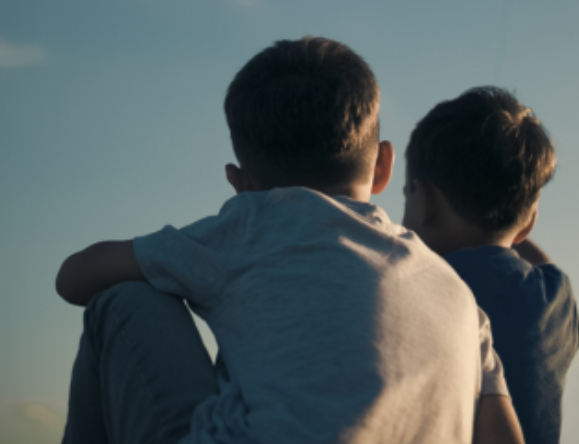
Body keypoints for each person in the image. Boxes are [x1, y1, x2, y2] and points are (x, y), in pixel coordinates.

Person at [56, 38, 523, 444]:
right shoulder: (458, 296)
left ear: (240, 184)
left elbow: (73, 278)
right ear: (383, 166)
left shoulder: (253, 224)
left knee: (123, 299)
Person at [402, 86, 579, 444]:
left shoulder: (416, 288)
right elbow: (542, 264)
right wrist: (512, 212)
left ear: (424, 201)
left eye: (406, 193)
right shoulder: (554, 301)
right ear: (529, 224)